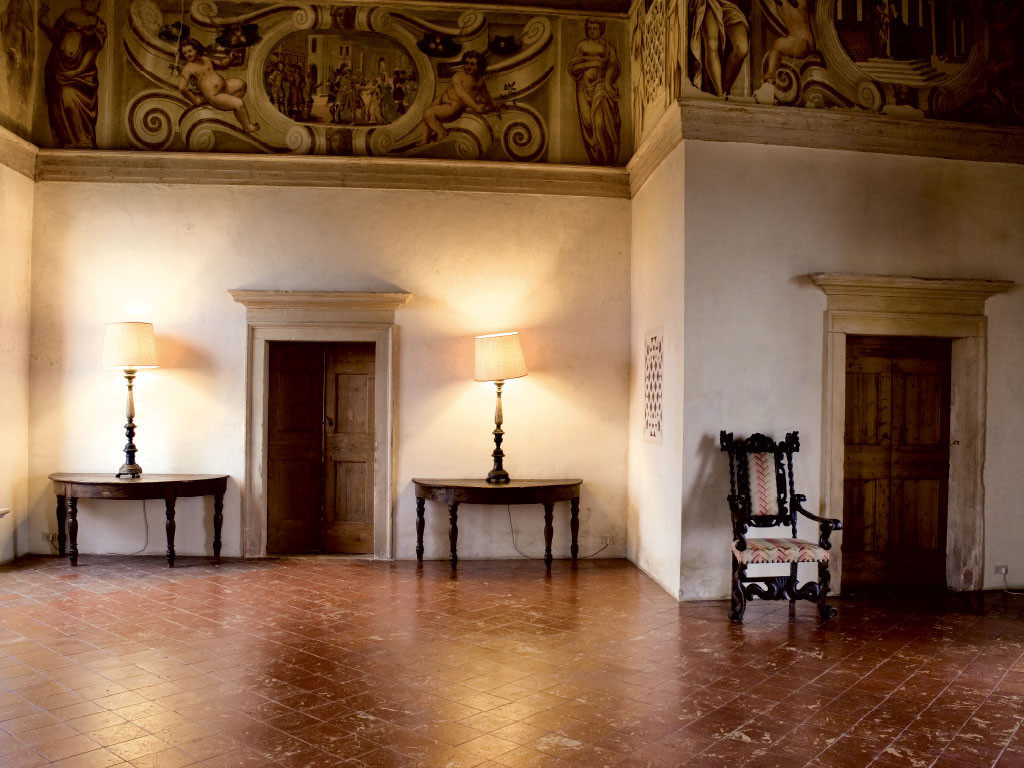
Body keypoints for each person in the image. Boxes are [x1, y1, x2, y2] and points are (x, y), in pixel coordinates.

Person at [38, 0, 107, 148]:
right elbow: (55, 36)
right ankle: (66, 141)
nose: (97, 4)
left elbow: (93, 50)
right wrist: (44, 22)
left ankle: (83, 140)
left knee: (69, 96)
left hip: (82, 76)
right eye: (94, 1)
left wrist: (77, 71)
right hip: (58, 67)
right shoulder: (69, 14)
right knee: (57, 101)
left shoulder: (98, 23)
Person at [568, 18, 622, 166]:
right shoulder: (581, 46)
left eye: (595, 28)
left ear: (601, 30)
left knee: (600, 123)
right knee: (588, 123)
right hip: (584, 89)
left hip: (601, 86)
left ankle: (607, 159)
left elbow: (613, 65)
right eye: (590, 28)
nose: (592, 31)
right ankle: (599, 158)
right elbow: (573, 68)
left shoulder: (607, 46)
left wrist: (607, 82)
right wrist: (592, 63)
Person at [177, 37, 258, 133]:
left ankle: (232, 107)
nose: (188, 55)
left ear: (197, 49)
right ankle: (247, 126)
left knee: (242, 84)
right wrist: (195, 100)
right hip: (215, 96)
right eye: (185, 53)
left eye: (190, 51)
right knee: (239, 103)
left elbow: (223, 64)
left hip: (225, 88)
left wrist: (231, 57)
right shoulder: (188, 69)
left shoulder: (206, 59)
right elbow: (182, 88)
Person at [420, 50, 496, 144]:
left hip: (453, 107)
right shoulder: (458, 76)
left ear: (479, 65)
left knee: (428, 113)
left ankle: (442, 132)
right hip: (442, 100)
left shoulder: (479, 81)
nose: (468, 66)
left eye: (472, 64)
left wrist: (480, 106)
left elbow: (463, 94)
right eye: (466, 63)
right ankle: (424, 140)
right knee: (425, 118)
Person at [688, 0, 749, 97]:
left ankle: (725, 90)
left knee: (742, 48)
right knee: (712, 44)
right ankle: (720, 94)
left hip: (732, 3)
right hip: (708, 2)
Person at [764, 0, 815, 85]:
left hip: (798, 43)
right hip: (810, 41)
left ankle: (770, 75)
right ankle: (770, 76)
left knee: (776, 45)